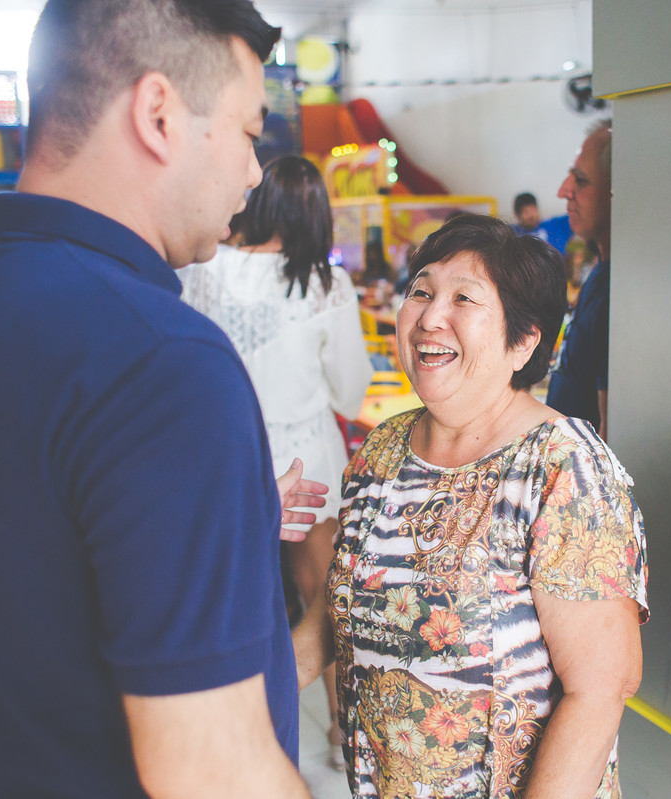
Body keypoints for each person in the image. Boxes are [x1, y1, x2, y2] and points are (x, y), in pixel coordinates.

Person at [0, 2, 322, 797]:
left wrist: (214, 513)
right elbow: (215, 773)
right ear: (159, 113)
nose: (251, 172)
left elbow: (36, 546)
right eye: (247, 133)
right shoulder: (165, 359)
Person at [294, 213, 649, 798]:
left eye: (464, 298)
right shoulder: (382, 450)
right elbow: (340, 604)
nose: (431, 317)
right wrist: (242, 699)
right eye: (422, 292)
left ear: (523, 341)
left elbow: (602, 688)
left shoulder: (563, 468)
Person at [179, 154, 373, 768]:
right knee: (323, 597)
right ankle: (344, 734)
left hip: (225, 461)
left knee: (231, 598)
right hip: (308, 457)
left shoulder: (201, 270)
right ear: (314, 213)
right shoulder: (323, 282)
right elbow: (349, 391)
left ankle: (232, 739)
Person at [548, 119, 613, 439]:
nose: (564, 190)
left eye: (582, 180)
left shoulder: (621, 293)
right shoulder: (601, 275)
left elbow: (609, 430)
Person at [513, 191, 574, 256]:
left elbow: (578, 216)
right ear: (517, 215)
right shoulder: (512, 234)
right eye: (525, 212)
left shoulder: (556, 226)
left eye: (533, 210)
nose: (531, 215)